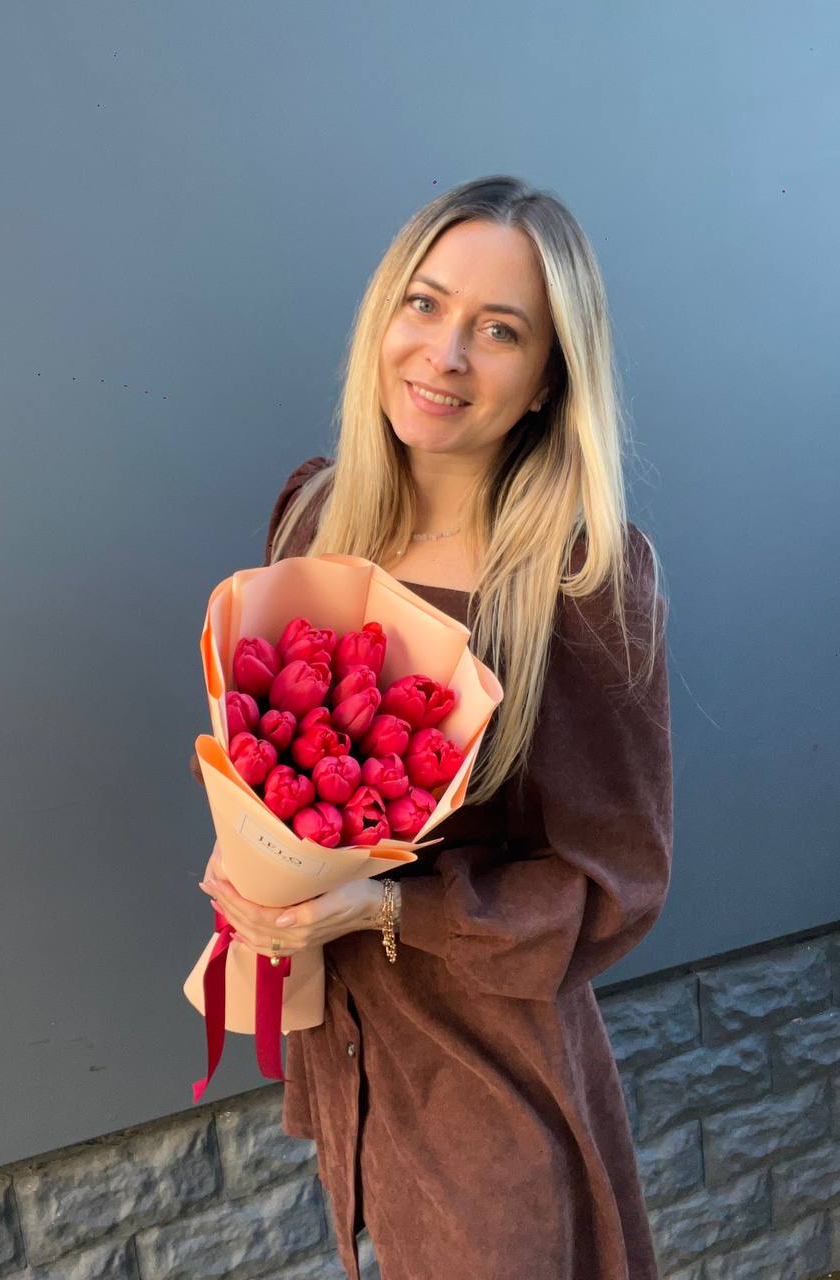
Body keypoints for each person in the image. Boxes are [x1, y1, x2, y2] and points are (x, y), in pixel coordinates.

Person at [193, 175, 673, 1280]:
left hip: (488, 1083)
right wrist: (256, 864)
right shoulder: (315, 516)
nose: (444, 353)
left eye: (499, 330)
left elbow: (615, 886)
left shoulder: (580, 580)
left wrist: (383, 905)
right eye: (424, 303)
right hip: (347, 1046)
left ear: (549, 379)